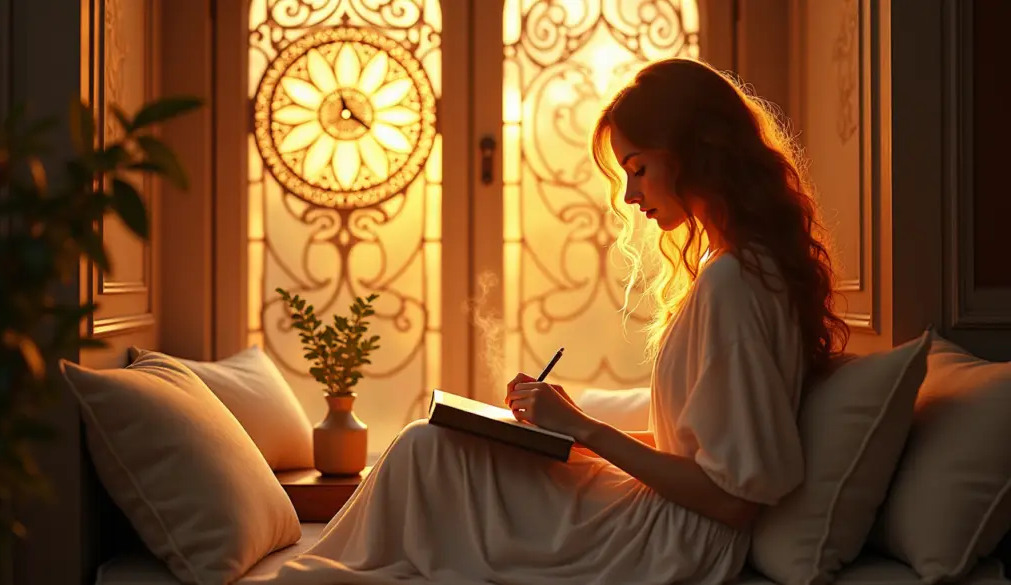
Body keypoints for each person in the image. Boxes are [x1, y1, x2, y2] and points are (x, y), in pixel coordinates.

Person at [264, 57, 849, 585]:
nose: (629, 196)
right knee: (434, 444)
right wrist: (571, 428)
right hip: (669, 518)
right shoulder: (740, 270)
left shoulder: (733, 282)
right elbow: (703, 452)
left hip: (675, 541)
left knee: (427, 451)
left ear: (693, 151)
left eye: (638, 168)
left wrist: (587, 431)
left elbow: (732, 500)